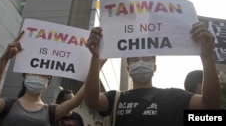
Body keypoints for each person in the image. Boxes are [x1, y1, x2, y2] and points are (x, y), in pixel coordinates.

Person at [84, 22, 221, 125]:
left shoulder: (173, 96)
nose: (141, 62)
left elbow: (209, 105)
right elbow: (91, 101)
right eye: (135, 59)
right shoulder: (116, 98)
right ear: (127, 68)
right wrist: (95, 59)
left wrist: (207, 57)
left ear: (154, 67)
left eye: (147, 59)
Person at [0, 31, 85, 126]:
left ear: (48, 81)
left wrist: (96, 63)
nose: (38, 76)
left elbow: (75, 102)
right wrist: (4, 59)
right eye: (34, 71)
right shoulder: (8, 104)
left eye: (43, 74)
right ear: (24, 75)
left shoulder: (50, 111)